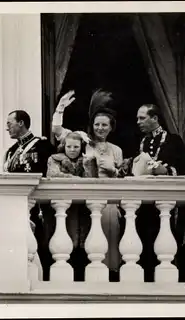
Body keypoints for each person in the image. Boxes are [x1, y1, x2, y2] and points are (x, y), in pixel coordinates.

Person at [52, 89, 125, 281]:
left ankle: (110, 275)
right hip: (86, 200)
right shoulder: (84, 141)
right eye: (97, 124)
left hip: (108, 200)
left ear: (111, 127)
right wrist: (60, 108)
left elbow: (122, 179)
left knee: (109, 238)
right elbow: (58, 131)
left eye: (104, 125)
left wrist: (114, 171)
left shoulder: (116, 150)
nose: (100, 128)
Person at [126, 103, 185, 282]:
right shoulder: (141, 141)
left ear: (154, 118)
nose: (138, 122)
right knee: (146, 238)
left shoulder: (173, 140)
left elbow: (184, 168)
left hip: (168, 201)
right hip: (146, 201)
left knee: (170, 239)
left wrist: (165, 171)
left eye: (142, 118)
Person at [4, 109, 56, 280]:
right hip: (16, 207)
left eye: (9, 123)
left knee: (42, 246)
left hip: (38, 208)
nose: (7, 128)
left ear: (21, 123)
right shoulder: (11, 151)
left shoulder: (42, 146)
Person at [46, 131, 98, 280]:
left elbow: (92, 180)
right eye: (69, 146)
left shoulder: (87, 160)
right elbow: (54, 175)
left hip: (83, 208)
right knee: (62, 240)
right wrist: (76, 178)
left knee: (84, 242)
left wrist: (88, 161)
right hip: (63, 207)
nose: (72, 150)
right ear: (64, 146)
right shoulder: (55, 159)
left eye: (76, 146)